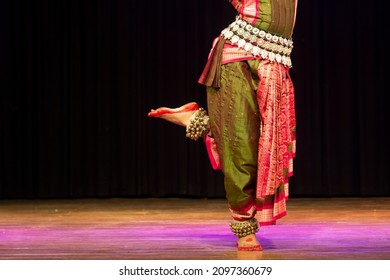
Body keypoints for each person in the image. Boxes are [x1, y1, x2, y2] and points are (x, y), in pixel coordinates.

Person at [148, 0, 298, 251]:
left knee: (271, 142)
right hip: (235, 57)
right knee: (241, 146)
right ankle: (244, 226)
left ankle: (195, 120)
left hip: (274, 59)